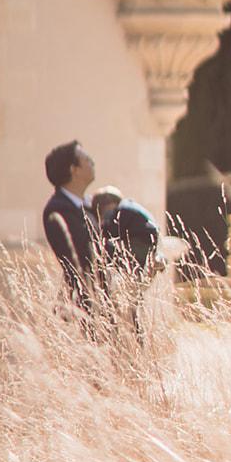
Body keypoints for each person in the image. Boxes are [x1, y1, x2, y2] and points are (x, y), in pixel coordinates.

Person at [91, 186, 163, 339]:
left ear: (106, 205)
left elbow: (106, 234)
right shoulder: (132, 207)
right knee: (132, 301)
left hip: (136, 248)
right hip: (148, 249)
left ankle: (119, 335)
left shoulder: (116, 212)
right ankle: (134, 336)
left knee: (98, 248)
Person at [42, 141, 100, 312]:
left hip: (100, 300)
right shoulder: (57, 210)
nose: (92, 162)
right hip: (80, 305)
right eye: (86, 159)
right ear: (73, 169)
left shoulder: (88, 205)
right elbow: (83, 253)